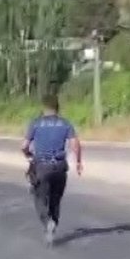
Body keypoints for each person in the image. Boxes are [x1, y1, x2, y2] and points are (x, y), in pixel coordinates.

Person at [21, 93, 83, 246]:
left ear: (44, 107)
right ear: (57, 107)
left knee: (39, 198)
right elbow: (75, 145)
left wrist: (28, 155)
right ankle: (53, 224)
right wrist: (79, 162)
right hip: (60, 167)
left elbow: (24, 146)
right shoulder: (65, 124)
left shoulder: (35, 123)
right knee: (56, 200)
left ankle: (48, 222)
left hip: (42, 166)